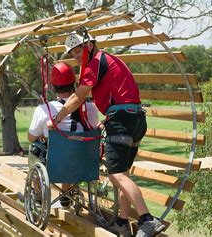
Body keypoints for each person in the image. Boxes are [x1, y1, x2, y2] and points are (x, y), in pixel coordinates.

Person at [47, 33, 166, 237]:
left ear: (91, 45)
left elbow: (78, 96)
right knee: (123, 174)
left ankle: (147, 220)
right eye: (73, 52)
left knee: (116, 174)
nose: (76, 55)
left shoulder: (95, 63)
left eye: (79, 50)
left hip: (122, 120)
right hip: (135, 118)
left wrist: (56, 119)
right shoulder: (109, 60)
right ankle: (121, 222)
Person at [28, 62, 99, 208]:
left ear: (53, 86)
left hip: (56, 164)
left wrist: (42, 134)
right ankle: (66, 195)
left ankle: (38, 194)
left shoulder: (44, 109)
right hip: (85, 162)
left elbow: (31, 137)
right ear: (74, 83)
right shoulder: (90, 108)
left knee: (34, 148)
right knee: (71, 149)